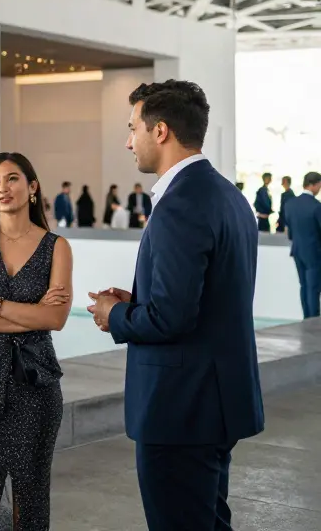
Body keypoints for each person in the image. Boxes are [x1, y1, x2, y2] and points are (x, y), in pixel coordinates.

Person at [89, 80, 264, 531]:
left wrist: (116, 316)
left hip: (180, 410)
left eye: (133, 129)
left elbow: (172, 316)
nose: (129, 142)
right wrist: (141, 300)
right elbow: (209, 299)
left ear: (160, 131)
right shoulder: (228, 196)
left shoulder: (179, 204)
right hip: (217, 401)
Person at [0, 152, 72, 531]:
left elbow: (55, 318)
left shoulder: (56, 246)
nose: (2, 188)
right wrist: (28, 315)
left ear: (32, 187)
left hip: (37, 387)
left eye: (12, 179)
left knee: (32, 496)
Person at [282, 171, 321, 319]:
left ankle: (306, 319)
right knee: (313, 288)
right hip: (314, 253)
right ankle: (314, 321)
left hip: (297, 250)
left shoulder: (291, 204)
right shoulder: (316, 206)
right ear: (313, 185)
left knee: (304, 286)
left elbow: (290, 231)